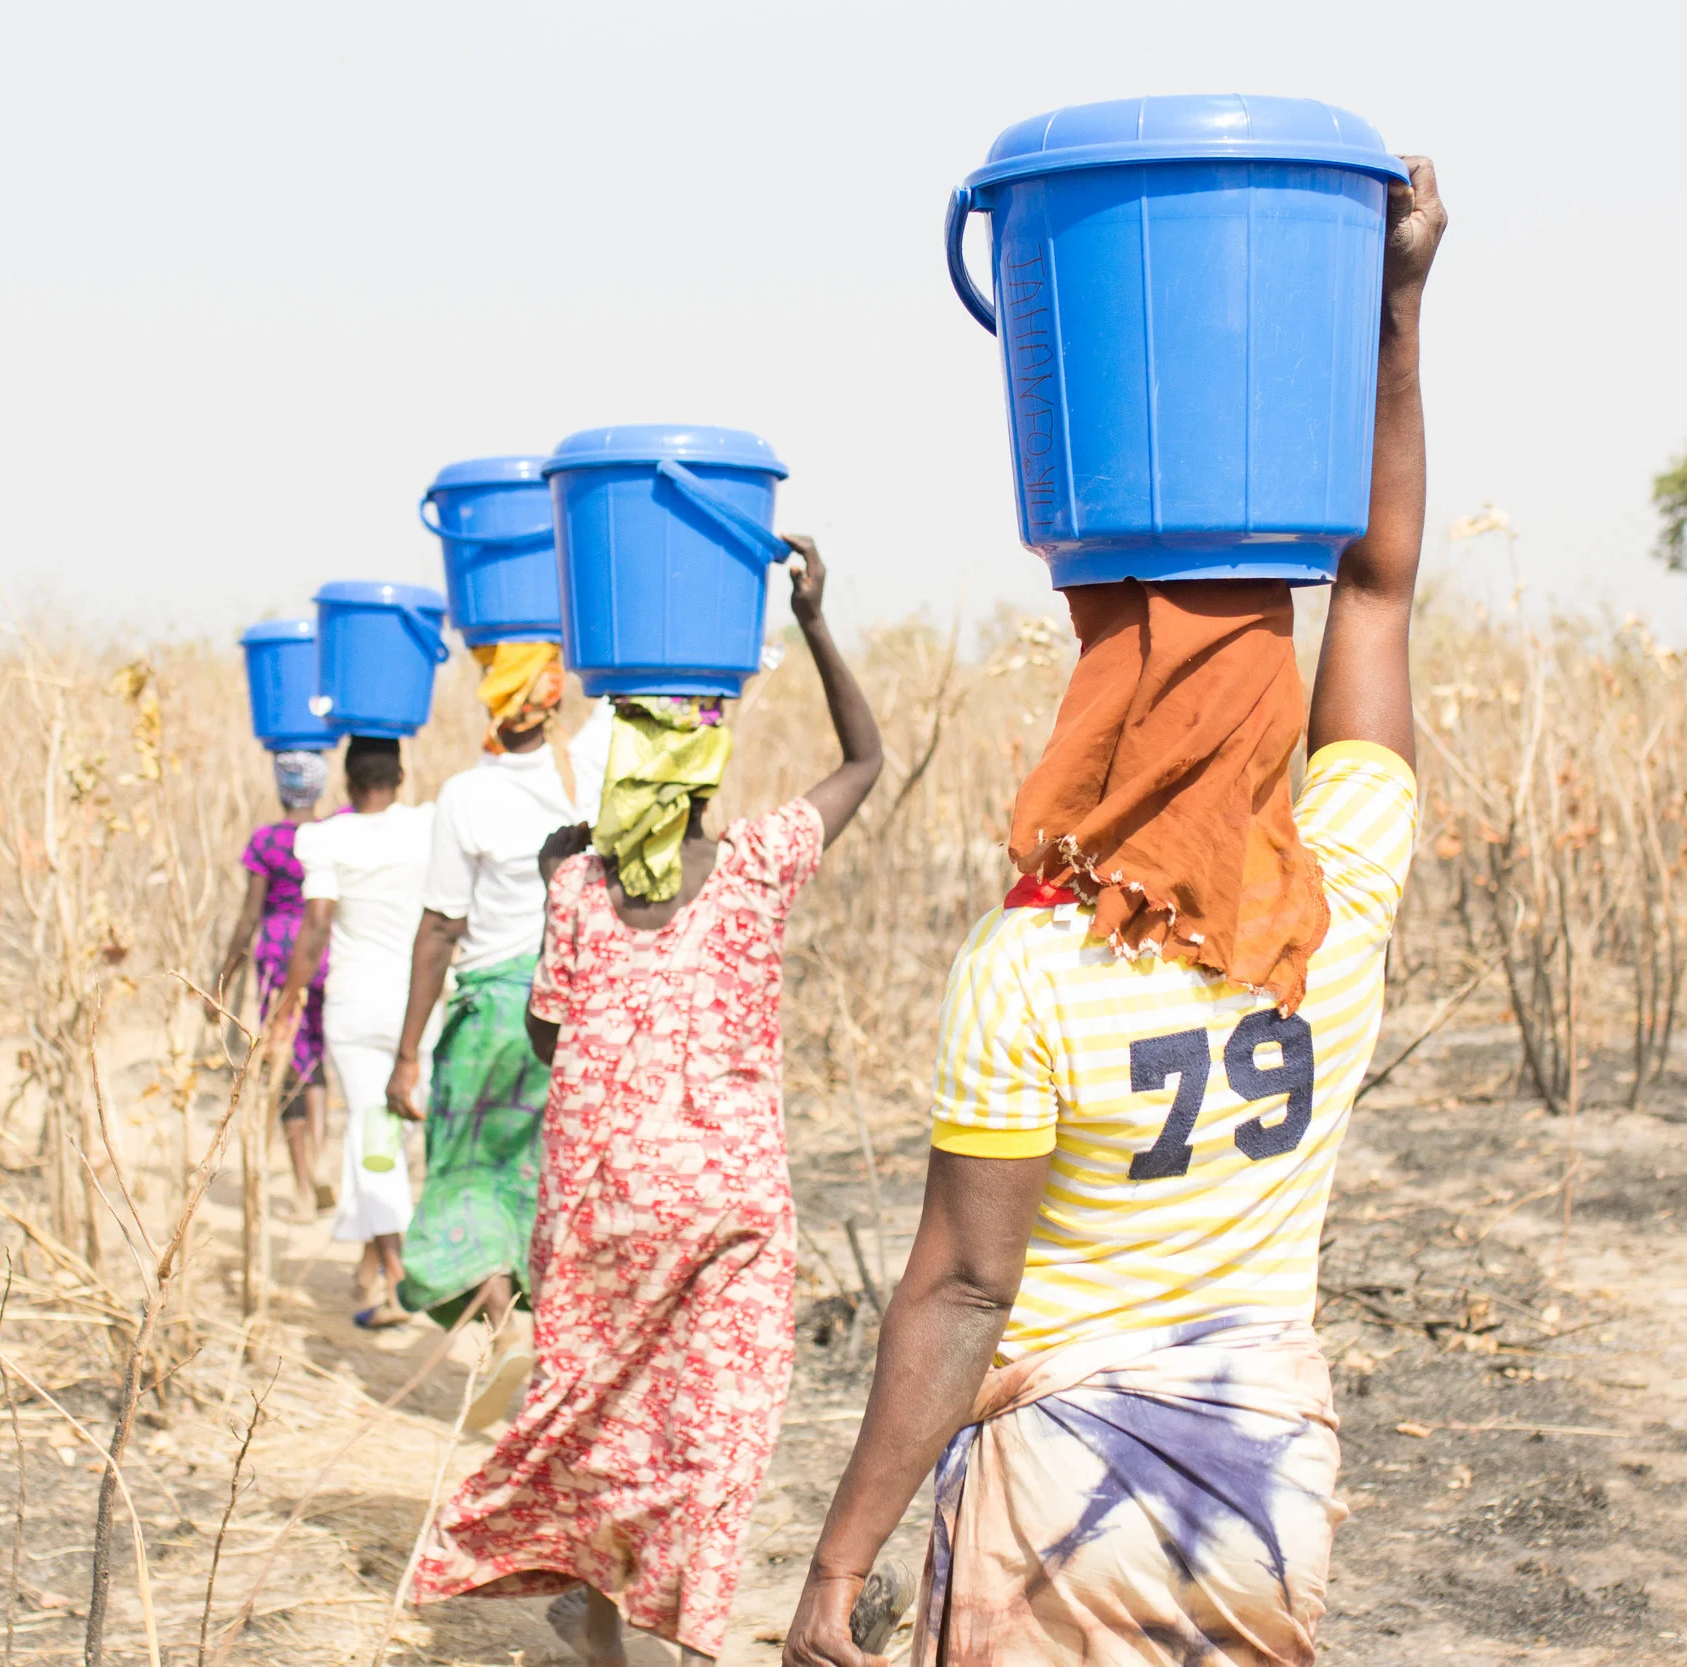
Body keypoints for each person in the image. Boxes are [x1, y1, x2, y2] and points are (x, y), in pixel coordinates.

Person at [782, 157, 1447, 1667]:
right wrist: (1393, 312)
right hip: (1265, 1474)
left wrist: (837, 1562)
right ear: (1265, 693)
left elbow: (962, 1283)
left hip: (1067, 1494)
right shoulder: (1334, 888)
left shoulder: (1032, 965)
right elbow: (1386, 587)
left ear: (1103, 703)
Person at [408, 537, 882, 1667]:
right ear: (709, 774)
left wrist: (549, 880)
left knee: (602, 1422)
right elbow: (864, 760)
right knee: (709, 1433)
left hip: (597, 1224)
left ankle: (611, 1629)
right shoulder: (761, 862)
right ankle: (679, 1633)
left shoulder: (573, 881)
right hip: (725, 1221)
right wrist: (814, 620)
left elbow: (544, 1031)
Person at [384, 640, 572, 1378]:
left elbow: (440, 926)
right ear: (553, 700)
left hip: (493, 1019)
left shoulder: (466, 795)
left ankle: (505, 1323)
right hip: (572, 1014)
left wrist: (407, 1055)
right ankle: (551, 1356)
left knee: (469, 1178)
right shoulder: (583, 785)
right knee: (545, 1183)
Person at [271, 735, 435, 1326]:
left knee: (374, 1136)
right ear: (402, 775)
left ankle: (392, 1277)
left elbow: (314, 929)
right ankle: (381, 1271)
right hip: (420, 1007)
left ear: (345, 784)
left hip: (356, 1005)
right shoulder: (426, 827)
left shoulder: (326, 837)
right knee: (390, 1136)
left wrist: (288, 1005)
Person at [213, 749, 334, 1213]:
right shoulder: (331, 834)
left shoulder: (266, 841)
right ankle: (322, 1157)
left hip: (280, 956)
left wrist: (225, 975)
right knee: (317, 1056)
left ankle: (303, 1184)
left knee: (285, 1060)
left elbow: (248, 918)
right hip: (323, 948)